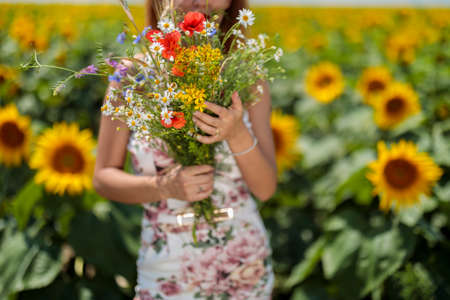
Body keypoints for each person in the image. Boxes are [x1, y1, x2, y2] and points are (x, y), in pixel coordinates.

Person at [93, 0, 277, 299]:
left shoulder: (247, 76)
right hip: (168, 273)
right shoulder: (131, 77)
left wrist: (237, 133)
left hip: (244, 271)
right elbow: (103, 178)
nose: (200, 1)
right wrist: (164, 186)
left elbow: (266, 188)